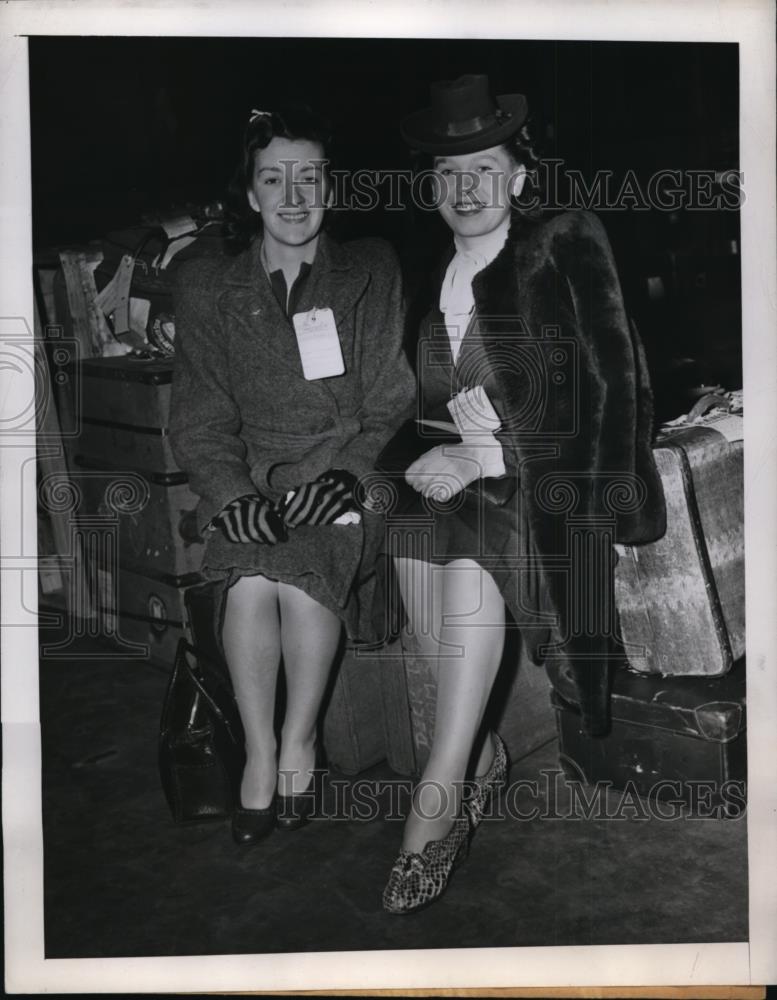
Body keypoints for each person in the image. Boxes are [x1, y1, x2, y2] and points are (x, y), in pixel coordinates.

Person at [381, 75, 666, 913]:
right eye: (445, 172)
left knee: (465, 559)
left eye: (482, 168)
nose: (462, 189)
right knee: (406, 524)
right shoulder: (433, 270)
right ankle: (473, 756)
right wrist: (426, 461)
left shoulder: (560, 240)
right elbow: (429, 403)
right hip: (467, 483)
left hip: (547, 494)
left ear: (516, 177)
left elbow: (615, 381)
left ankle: (438, 798)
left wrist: (504, 461)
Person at [169, 103, 415, 845]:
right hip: (256, 480)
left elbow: (390, 401)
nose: (294, 196)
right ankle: (262, 750)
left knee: (301, 570)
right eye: (274, 179)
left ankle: (301, 740)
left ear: (330, 188)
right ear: (250, 195)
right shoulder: (208, 287)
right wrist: (231, 494)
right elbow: (199, 420)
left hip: (344, 476)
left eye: (309, 177)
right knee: (247, 574)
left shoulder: (371, 269)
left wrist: (348, 472)